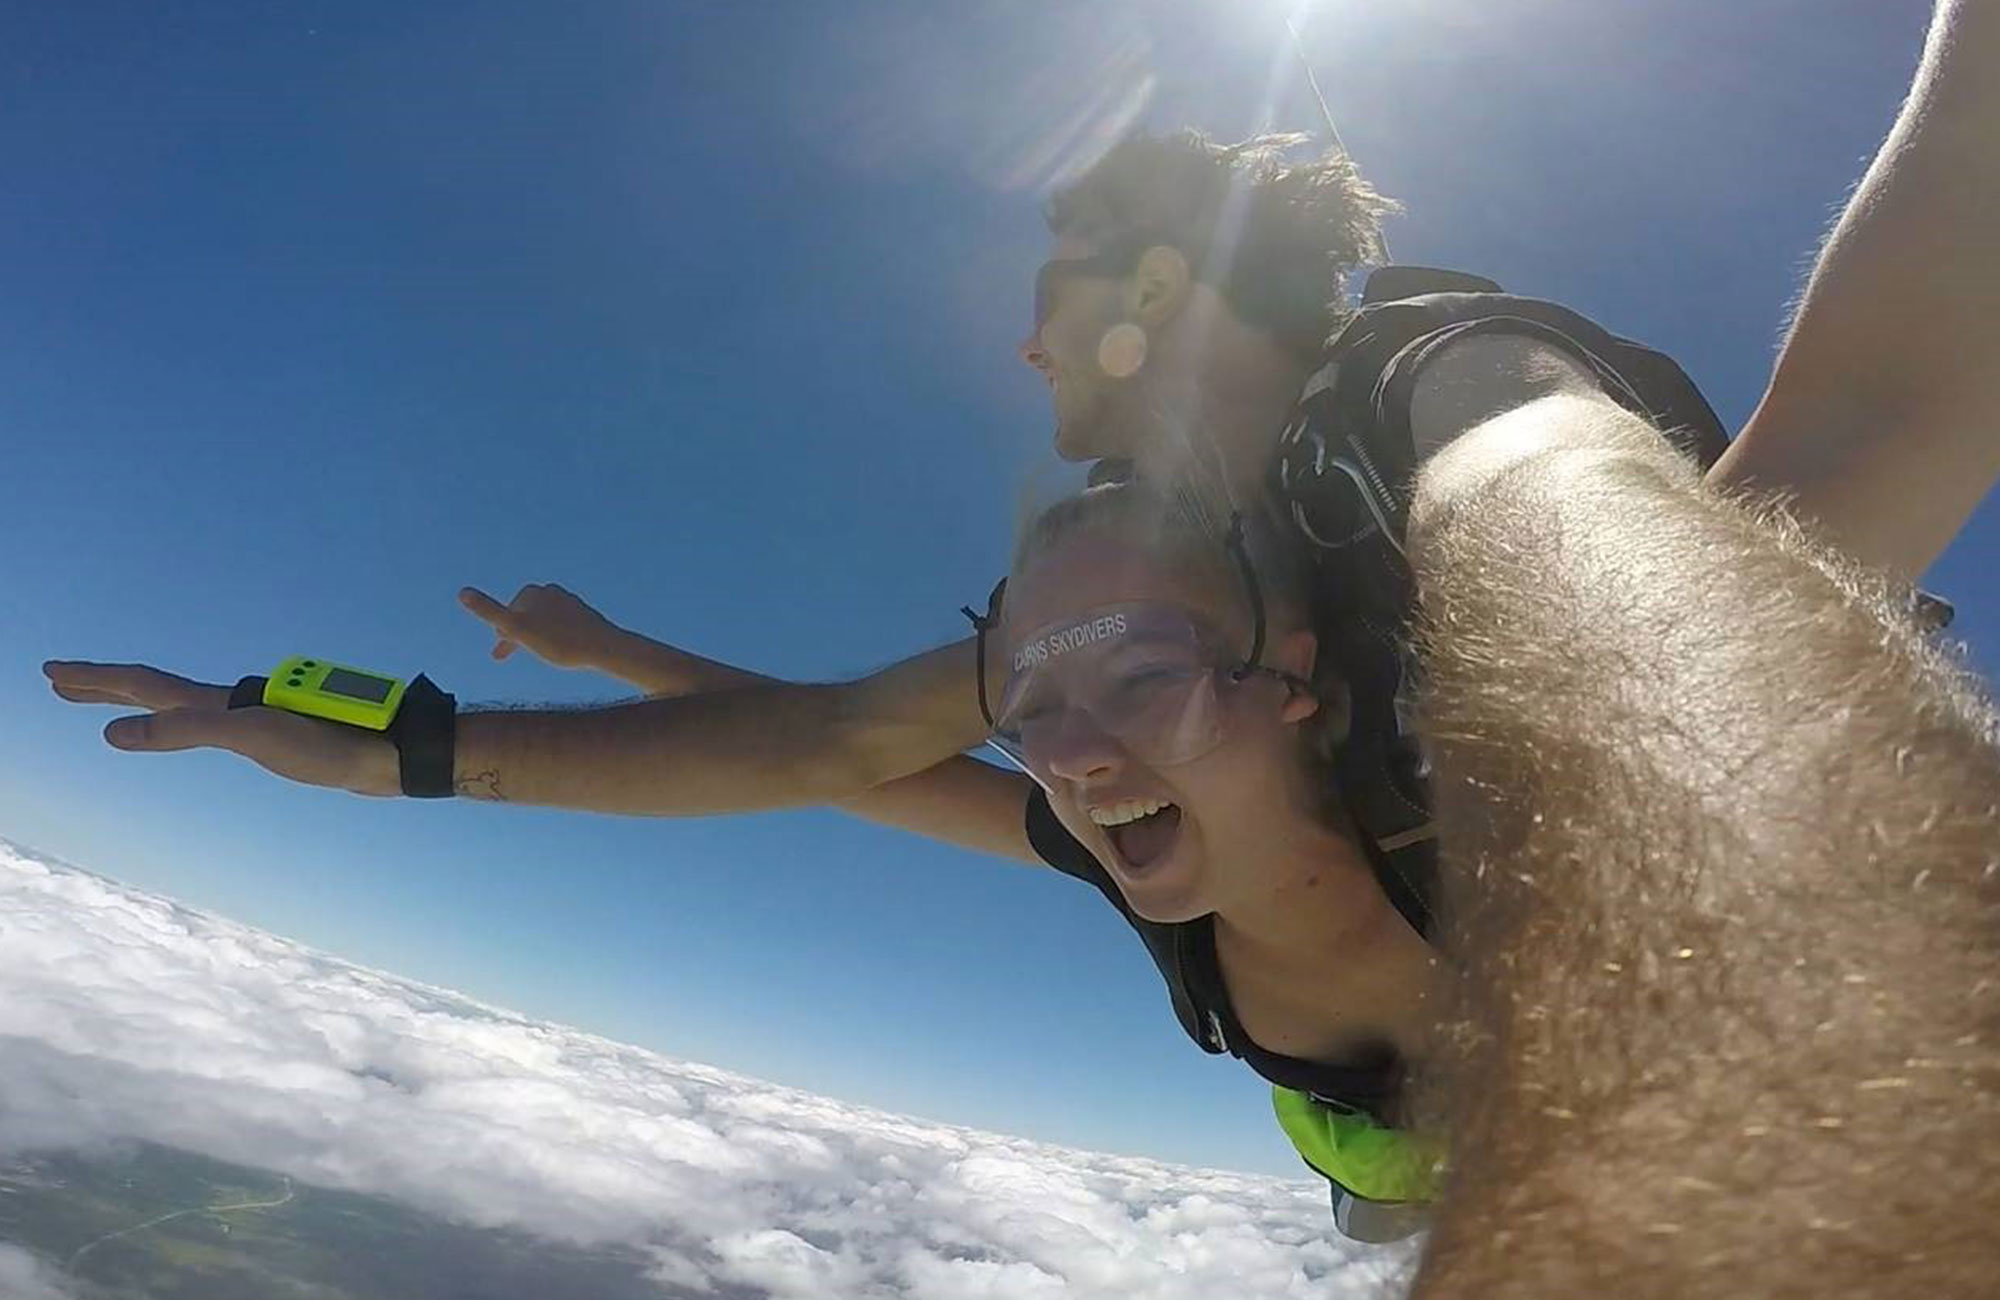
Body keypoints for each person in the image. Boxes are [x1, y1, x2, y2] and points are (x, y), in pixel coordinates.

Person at [43, 0, 2000, 1260]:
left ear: (1164, 290)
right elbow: (835, 753)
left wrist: (1718, 804)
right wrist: (418, 735)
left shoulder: (1439, 394)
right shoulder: (1132, 619)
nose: (1027, 343)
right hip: (1443, 1122)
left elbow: (1631, 514)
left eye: (1060, 293)